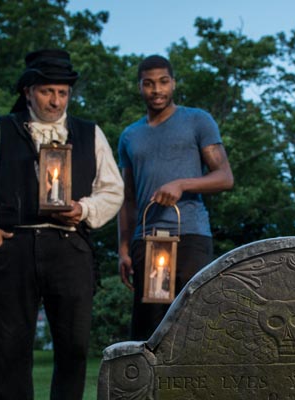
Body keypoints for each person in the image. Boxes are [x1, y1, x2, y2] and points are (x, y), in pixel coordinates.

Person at [0, 49, 123, 400]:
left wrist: (82, 209)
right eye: (48, 91)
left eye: (62, 93)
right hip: (14, 246)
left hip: (69, 246)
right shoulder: (2, 128)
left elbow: (113, 191)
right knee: (9, 347)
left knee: (74, 344)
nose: (56, 100)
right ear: (28, 91)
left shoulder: (89, 133)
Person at [117, 55, 234, 340]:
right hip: (147, 240)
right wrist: (122, 248)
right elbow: (127, 199)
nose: (156, 90)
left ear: (173, 83)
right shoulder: (129, 136)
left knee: (194, 322)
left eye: (163, 82)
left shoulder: (197, 120)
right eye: (148, 84)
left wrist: (182, 183)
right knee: (150, 330)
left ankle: (196, 384)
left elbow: (225, 177)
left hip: (190, 234)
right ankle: (151, 386)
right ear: (140, 87)